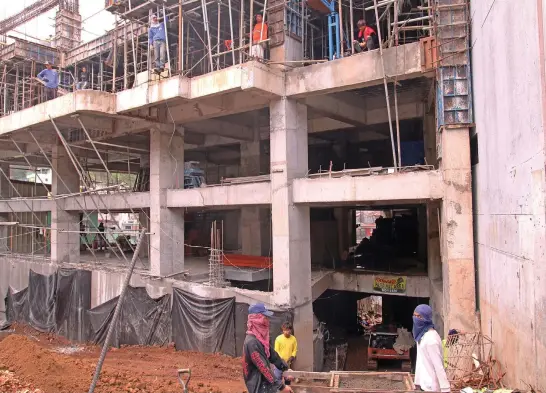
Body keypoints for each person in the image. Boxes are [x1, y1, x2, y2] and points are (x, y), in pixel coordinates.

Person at [242, 303, 292, 393]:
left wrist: (285, 369)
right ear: (257, 319)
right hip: (258, 386)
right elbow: (263, 367)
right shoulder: (252, 342)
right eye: (265, 317)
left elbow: (273, 355)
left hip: (265, 383)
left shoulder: (261, 339)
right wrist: (281, 387)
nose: (267, 321)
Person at [412, 304, 450, 393]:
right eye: (414, 316)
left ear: (426, 318)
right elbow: (422, 361)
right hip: (424, 384)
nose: (416, 319)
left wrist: (445, 388)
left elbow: (438, 366)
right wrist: (417, 381)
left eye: (419, 316)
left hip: (431, 387)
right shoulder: (422, 336)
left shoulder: (431, 339)